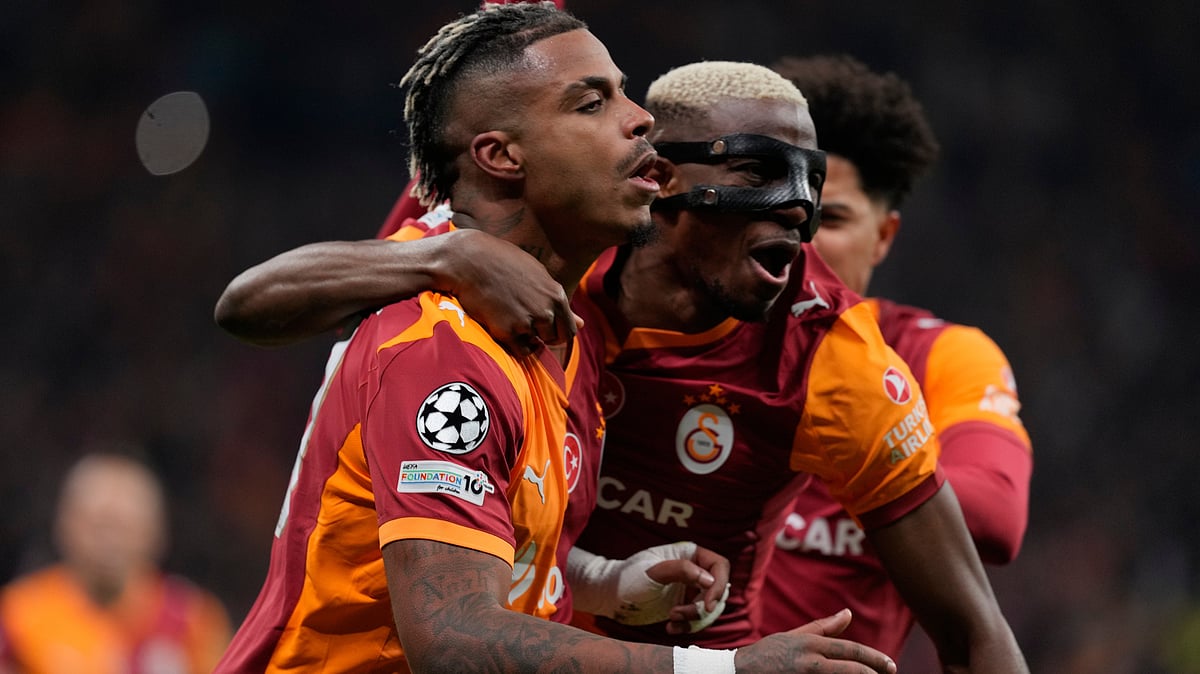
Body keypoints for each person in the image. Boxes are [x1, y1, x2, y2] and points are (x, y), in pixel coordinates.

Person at [215, 57, 1028, 670]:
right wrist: (447, 257)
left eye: (811, 186)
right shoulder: (545, 275)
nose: (798, 211)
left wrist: (613, 585)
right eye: (758, 171)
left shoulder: (833, 361)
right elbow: (250, 304)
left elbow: (973, 620)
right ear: (660, 179)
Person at [758, 54, 1035, 659]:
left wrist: (825, 448)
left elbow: (995, 513)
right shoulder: (660, 328)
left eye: (829, 218)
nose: (800, 238)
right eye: (781, 208)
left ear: (884, 236)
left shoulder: (940, 354)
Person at [0, 451, 232, 674]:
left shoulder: (194, 621)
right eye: (99, 524)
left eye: (125, 526)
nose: (110, 541)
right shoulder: (17, 616)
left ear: (157, 533)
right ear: (65, 525)